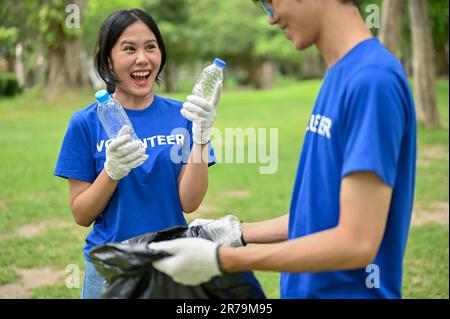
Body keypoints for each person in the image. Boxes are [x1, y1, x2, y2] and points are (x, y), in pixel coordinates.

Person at [148, 0, 417, 299]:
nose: (271, 18)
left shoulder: (372, 80)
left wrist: (224, 260)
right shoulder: (339, 75)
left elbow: (356, 242)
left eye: (270, 2)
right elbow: (322, 216)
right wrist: (235, 233)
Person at [54, 9, 220, 298]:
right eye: (129, 48)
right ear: (108, 59)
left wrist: (201, 138)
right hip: (110, 268)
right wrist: (112, 171)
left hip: (170, 261)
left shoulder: (184, 115)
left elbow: (189, 202)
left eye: (151, 47)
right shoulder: (85, 122)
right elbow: (81, 214)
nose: (142, 59)